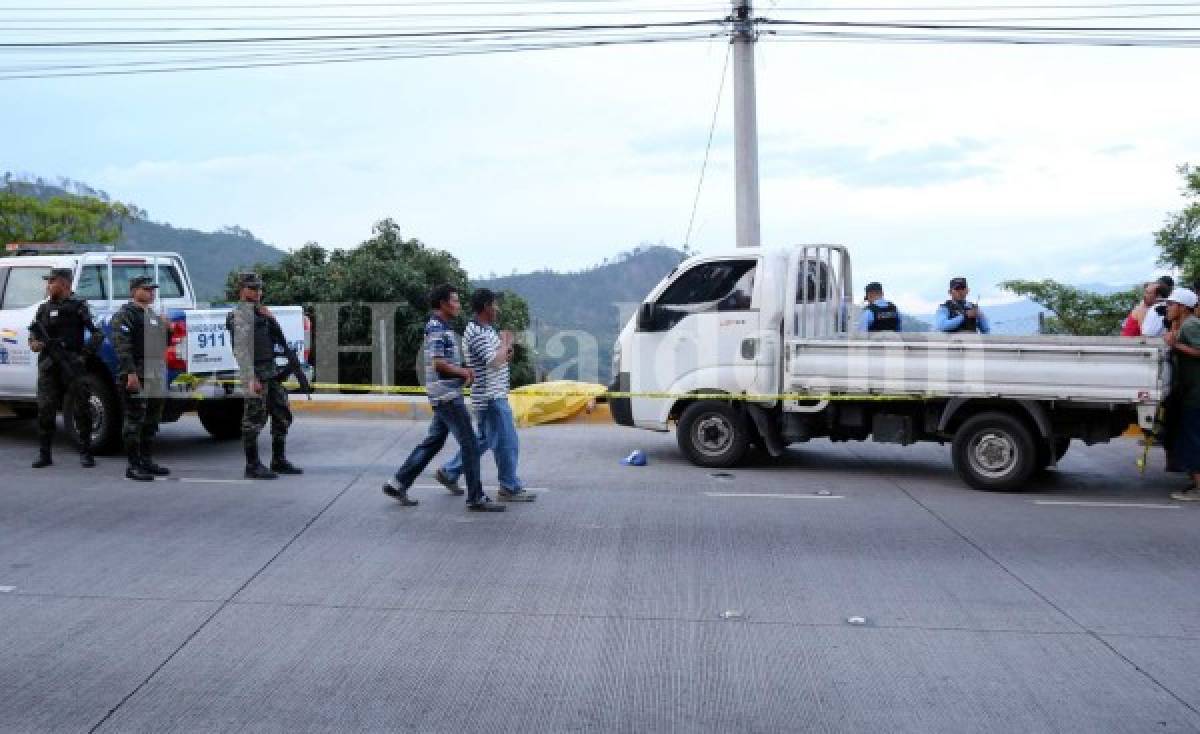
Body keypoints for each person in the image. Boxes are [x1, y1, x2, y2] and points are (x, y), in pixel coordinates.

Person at [383, 284, 504, 512]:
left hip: (443, 393)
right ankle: (475, 497)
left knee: (433, 442)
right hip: (447, 396)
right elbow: (438, 362)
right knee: (469, 445)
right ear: (443, 304)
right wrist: (464, 372)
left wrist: (461, 371)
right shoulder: (438, 328)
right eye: (455, 301)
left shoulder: (440, 327)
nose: (459, 305)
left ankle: (397, 483)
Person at [435, 288, 534, 501]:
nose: (497, 309)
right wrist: (506, 342)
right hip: (491, 397)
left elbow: (502, 358)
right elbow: (495, 360)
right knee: (507, 442)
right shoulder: (477, 332)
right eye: (495, 305)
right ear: (486, 307)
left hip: (493, 394)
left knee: (482, 441)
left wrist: (506, 348)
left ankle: (450, 472)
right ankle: (509, 487)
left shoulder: (487, 330)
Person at [226, 272, 302, 480]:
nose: (258, 292)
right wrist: (251, 378)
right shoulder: (240, 315)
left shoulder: (261, 313)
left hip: (272, 372)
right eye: (253, 288)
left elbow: (278, 340)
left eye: (259, 289)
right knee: (253, 420)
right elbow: (241, 350)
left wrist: (271, 319)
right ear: (242, 290)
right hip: (256, 374)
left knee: (282, 414)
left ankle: (279, 460)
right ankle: (252, 466)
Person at [27, 267, 103, 469]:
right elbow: (33, 335)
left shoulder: (79, 306)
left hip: (72, 364)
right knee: (45, 409)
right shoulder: (43, 309)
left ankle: (86, 452)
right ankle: (45, 454)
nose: (48, 285)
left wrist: (83, 356)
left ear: (63, 283)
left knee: (82, 408)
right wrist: (34, 343)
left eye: (51, 281)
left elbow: (97, 334)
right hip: (48, 366)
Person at [110, 276, 170, 481]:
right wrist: (131, 373)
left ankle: (146, 459)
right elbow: (122, 346)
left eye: (153, 289)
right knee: (134, 420)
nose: (151, 292)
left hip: (154, 372)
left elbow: (163, 344)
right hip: (137, 372)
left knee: (152, 420)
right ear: (134, 291)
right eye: (147, 289)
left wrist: (167, 329)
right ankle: (133, 465)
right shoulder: (125, 315)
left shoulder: (152, 314)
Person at [1163, 287, 1200, 501]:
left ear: (1182, 307)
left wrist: (1175, 344)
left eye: (1170, 304)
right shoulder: (1185, 324)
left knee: (1193, 439)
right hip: (1190, 392)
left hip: (1196, 394)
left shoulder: (1192, 325)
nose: (1167, 308)